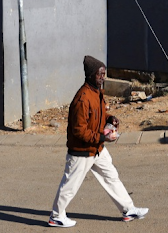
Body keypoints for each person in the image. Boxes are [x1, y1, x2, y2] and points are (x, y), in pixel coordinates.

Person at [48, 56, 148, 227]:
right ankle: (56, 216)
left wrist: (111, 119)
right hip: (82, 151)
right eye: (100, 75)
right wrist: (104, 137)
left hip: (97, 149)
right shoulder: (82, 98)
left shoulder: (96, 92)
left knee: (111, 177)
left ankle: (128, 209)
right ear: (90, 75)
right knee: (70, 185)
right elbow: (79, 130)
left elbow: (98, 115)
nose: (103, 78)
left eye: (104, 74)